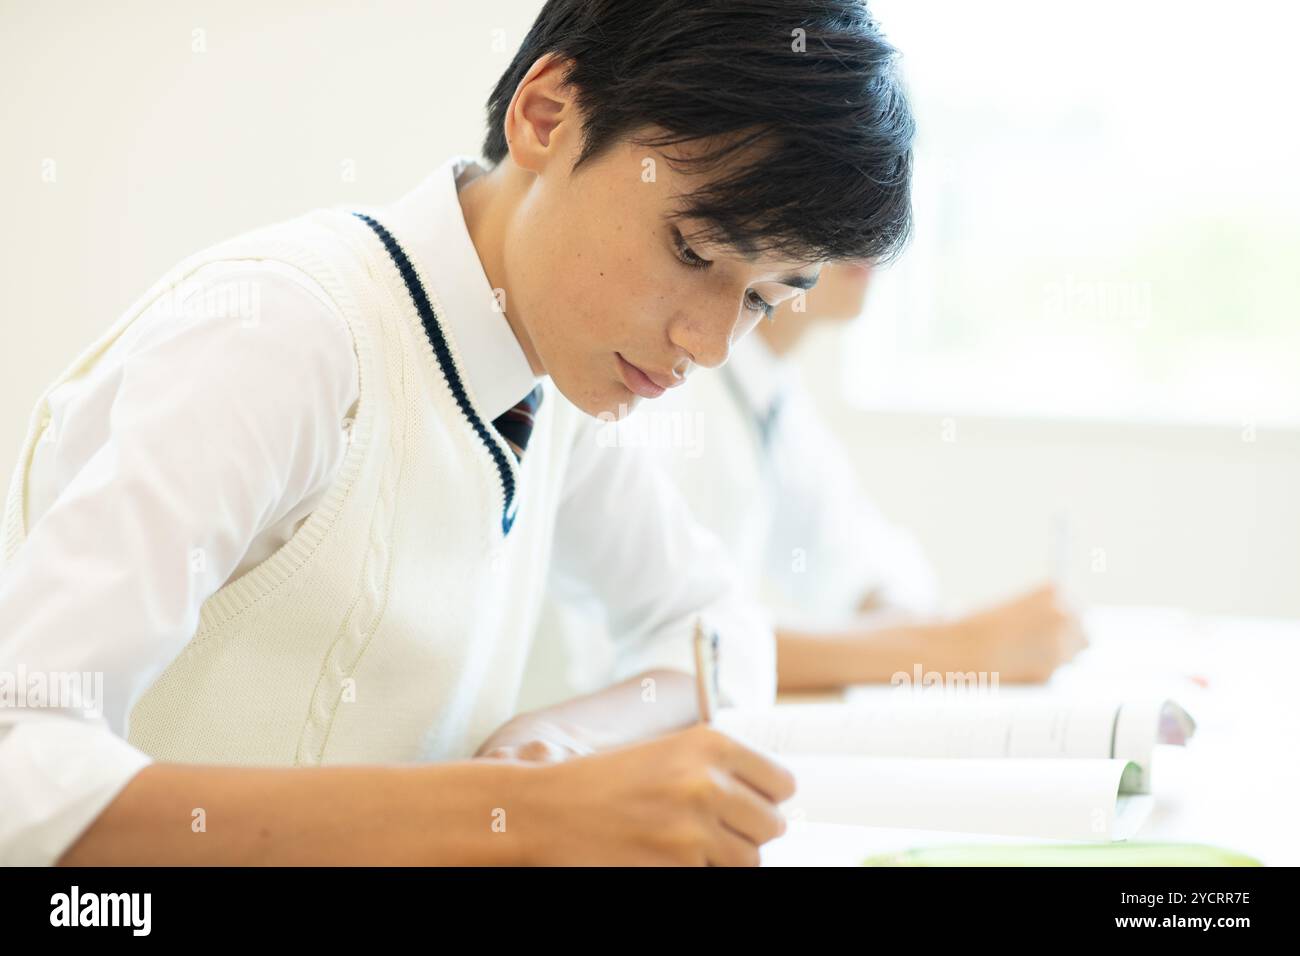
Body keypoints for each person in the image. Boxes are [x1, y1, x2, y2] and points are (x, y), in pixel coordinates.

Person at [0, 1, 913, 865]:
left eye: (760, 298)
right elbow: (22, 768)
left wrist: (556, 745)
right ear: (548, 114)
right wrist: (519, 819)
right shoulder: (286, 333)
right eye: (692, 252)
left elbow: (713, 631)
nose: (708, 345)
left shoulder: (554, 374)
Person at [520, 262, 1087, 709]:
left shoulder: (774, 396)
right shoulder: (657, 391)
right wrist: (952, 651)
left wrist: (911, 629)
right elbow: (664, 644)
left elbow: (863, 562)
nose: (867, 234)